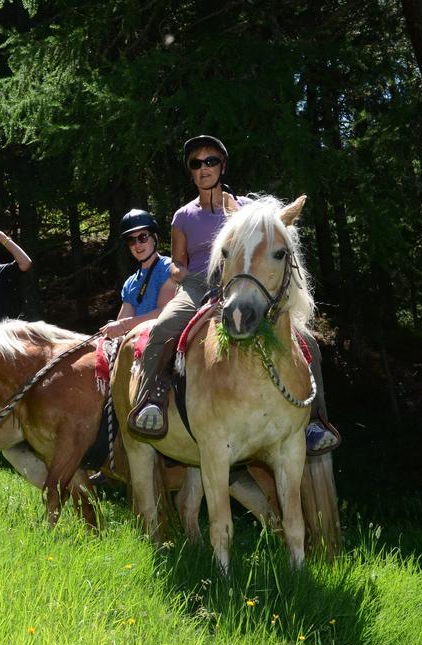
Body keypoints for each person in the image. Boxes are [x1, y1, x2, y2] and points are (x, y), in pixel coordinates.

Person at [127, 136, 339, 452]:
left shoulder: (248, 209)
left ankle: (315, 421)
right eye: (196, 164)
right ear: (191, 172)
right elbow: (178, 262)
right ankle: (151, 401)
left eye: (210, 161)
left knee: (307, 342)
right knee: (161, 329)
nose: (204, 168)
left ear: (222, 166)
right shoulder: (182, 216)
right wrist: (178, 273)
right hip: (198, 285)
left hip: (243, 283)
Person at [100, 209, 176, 339]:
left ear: (155, 238)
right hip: (134, 346)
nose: (137, 245)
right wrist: (114, 329)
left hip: (162, 343)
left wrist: (124, 325)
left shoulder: (169, 268)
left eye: (143, 237)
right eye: (131, 240)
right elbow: (121, 323)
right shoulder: (130, 283)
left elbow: (165, 313)